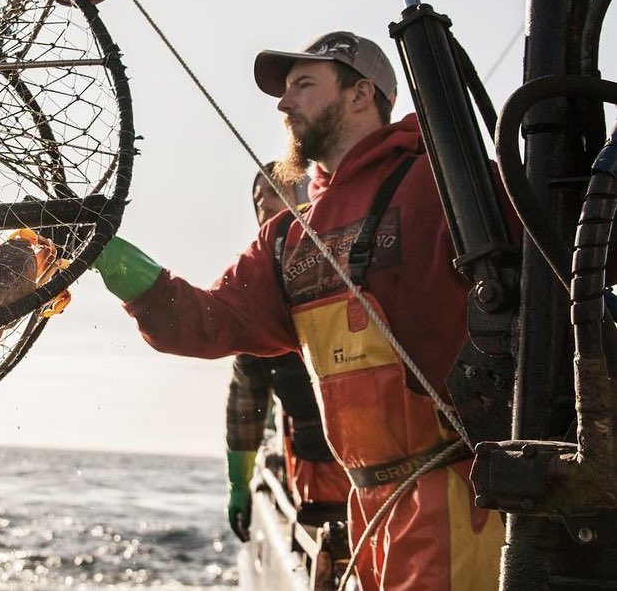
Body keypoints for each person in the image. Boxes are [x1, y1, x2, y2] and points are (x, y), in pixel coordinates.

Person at [94, 31, 505, 591]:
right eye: (285, 91)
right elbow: (208, 322)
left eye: (303, 86)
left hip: (460, 495)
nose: (283, 104)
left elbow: (575, 254)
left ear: (361, 94)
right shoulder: (288, 238)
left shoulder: (448, 185)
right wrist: (105, 253)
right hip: (369, 508)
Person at [226, 164, 350, 545]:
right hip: (320, 475)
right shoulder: (256, 293)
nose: (264, 198)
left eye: (276, 188)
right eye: (258, 194)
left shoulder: (352, 252)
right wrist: (238, 484)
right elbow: (245, 401)